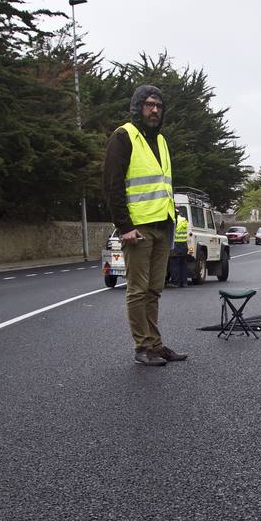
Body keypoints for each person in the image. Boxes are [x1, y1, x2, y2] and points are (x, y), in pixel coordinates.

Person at [101, 84, 188, 366]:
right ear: (138, 107)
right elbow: (112, 186)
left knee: (154, 289)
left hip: (163, 224)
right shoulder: (124, 136)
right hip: (138, 227)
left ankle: (155, 344)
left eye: (158, 106)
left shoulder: (161, 140)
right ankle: (142, 348)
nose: (154, 110)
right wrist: (124, 226)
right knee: (138, 290)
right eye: (149, 105)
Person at [169, 213, 190, 287]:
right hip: (184, 245)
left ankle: (175, 282)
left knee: (174, 264)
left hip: (175, 245)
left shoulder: (174, 220)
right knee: (183, 264)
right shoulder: (184, 220)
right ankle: (184, 282)